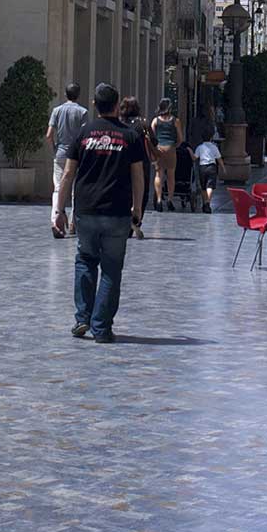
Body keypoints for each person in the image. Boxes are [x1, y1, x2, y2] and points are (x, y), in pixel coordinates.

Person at [56, 83, 146, 343]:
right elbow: (138, 175)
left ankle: (82, 319)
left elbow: (68, 174)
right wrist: (137, 209)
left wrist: (60, 209)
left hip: (86, 210)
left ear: (95, 105)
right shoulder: (129, 136)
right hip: (117, 212)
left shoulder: (84, 134)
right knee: (111, 269)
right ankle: (101, 327)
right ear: (117, 106)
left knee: (85, 261)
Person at [46, 82, 89, 239]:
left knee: (58, 187)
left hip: (61, 153)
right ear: (78, 95)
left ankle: (55, 220)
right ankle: (72, 223)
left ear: (65, 94)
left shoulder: (57, 111)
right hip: (77, 155)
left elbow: (49, 134)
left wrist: (55, 149)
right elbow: (85, 135)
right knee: (75, 190)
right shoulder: (83, 112)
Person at [117, 95, 148, 235]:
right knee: (142, 190)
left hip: (122, 160)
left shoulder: (118, 123)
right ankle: (136, 220)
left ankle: (124, 221)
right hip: (141, 161)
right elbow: (154, 141)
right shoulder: (141, 123)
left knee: (124, 190)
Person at [147, 98, 182, 210]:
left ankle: (158, 200)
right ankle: (170, 200)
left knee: (158, 175)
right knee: (171, 175)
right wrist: (175, 145)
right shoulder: (175, 121)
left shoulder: (156, 120)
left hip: (159, 149)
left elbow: (150, 136)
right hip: (170, 148)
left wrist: (154, 148)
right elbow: (180, 138)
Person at [193, 133, 222, 211]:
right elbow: (219, 158)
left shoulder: (199, 147)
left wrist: (189, 151)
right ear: (211, 138)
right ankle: (207, 202)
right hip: (212, 167)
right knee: (210, 186)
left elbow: (195, 158)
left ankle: (204, 203)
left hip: (202, 167)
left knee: (203, 187)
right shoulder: (214, 147)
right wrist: (223, 167)